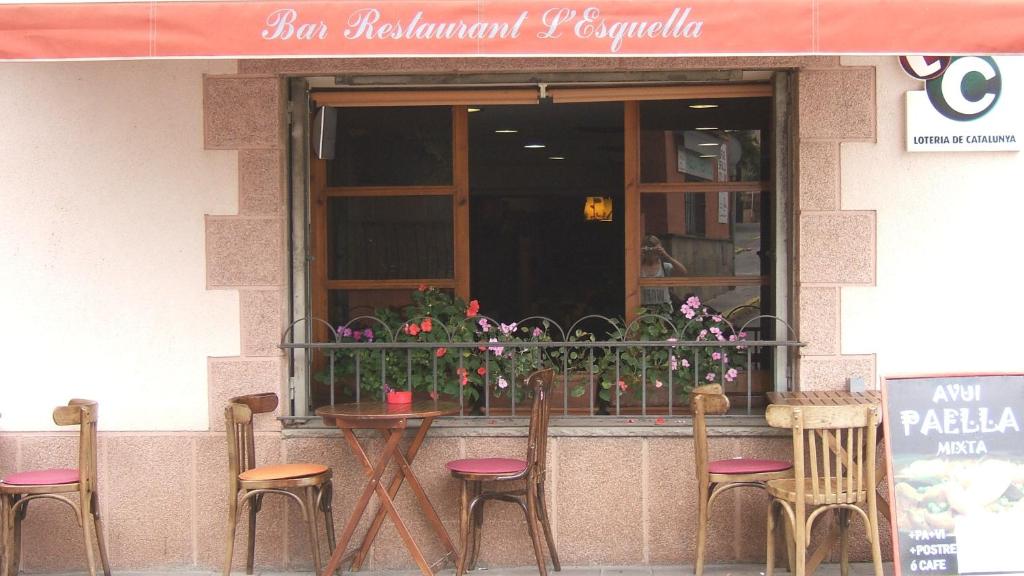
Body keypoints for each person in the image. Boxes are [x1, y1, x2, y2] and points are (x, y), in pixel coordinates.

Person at [640, 234, 688, 306]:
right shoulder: (638, 268)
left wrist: (666, 255)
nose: (651, 253)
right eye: (649, 250)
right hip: (643, 310)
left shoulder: (665, 267)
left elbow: (683, 272)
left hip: (664, 309)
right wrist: (638, 255)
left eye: (655, 250)